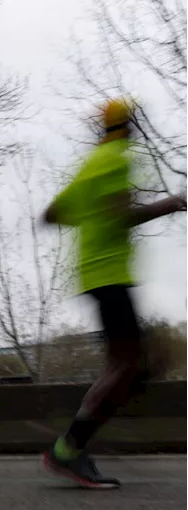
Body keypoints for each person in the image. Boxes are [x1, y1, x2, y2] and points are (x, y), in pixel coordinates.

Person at [41, 99, 187, 489]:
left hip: (93, 274)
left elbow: (52, 213)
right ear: (130, 124)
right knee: (126, 365)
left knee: (130, 364)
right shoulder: (118, 159)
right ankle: (68, 449)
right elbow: (123, 215)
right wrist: (173, 203)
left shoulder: (90, 164)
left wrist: (87, 217)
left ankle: (77, 443)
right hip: (110, 274)